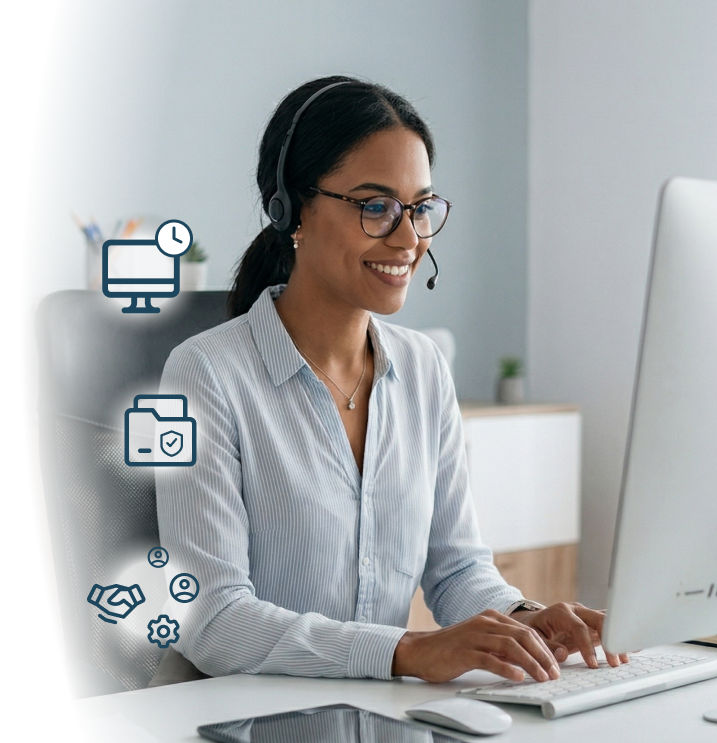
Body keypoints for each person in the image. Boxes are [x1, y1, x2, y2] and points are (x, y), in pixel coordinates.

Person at [153, 75, 627, 687]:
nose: (409, 238)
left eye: (421, 207)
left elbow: (455, 569)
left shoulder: (423, 368)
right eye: (375, 206)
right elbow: (212, 619)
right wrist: (405, 652)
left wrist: (525, 620)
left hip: (365, 715)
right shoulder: (206, 375)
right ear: (292, 209)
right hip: (224, 716)